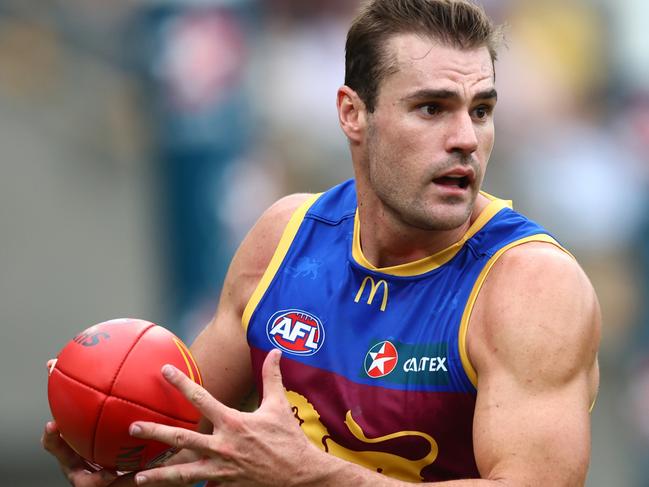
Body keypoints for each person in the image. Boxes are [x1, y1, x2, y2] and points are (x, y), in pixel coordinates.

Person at [42, 0, 601, 485]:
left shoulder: (530, 286)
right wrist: (122, 463)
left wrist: (312, 476)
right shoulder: (284, 238)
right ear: (352, 113)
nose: (464, 140)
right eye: (431, 108)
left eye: (480, 110)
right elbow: (191, 441)